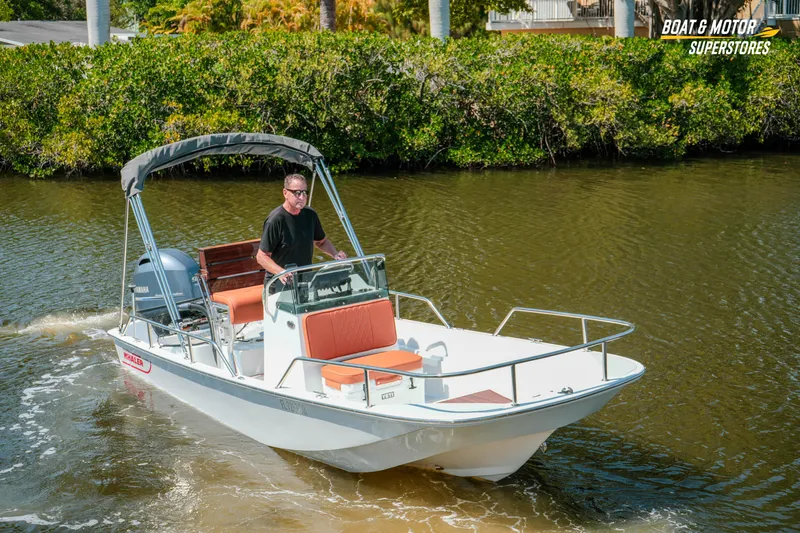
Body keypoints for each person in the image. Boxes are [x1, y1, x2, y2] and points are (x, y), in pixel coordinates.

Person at [256, 174, 346, 290]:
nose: (302, 197)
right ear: (285, 193)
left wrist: (335, 254)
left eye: (304, 193)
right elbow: (261, 256)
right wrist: (281, 272)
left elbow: (321, 242)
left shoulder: (310, 214)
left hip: (306, 281)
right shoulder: (275, 220)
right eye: (297, 193)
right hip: (279, 285)